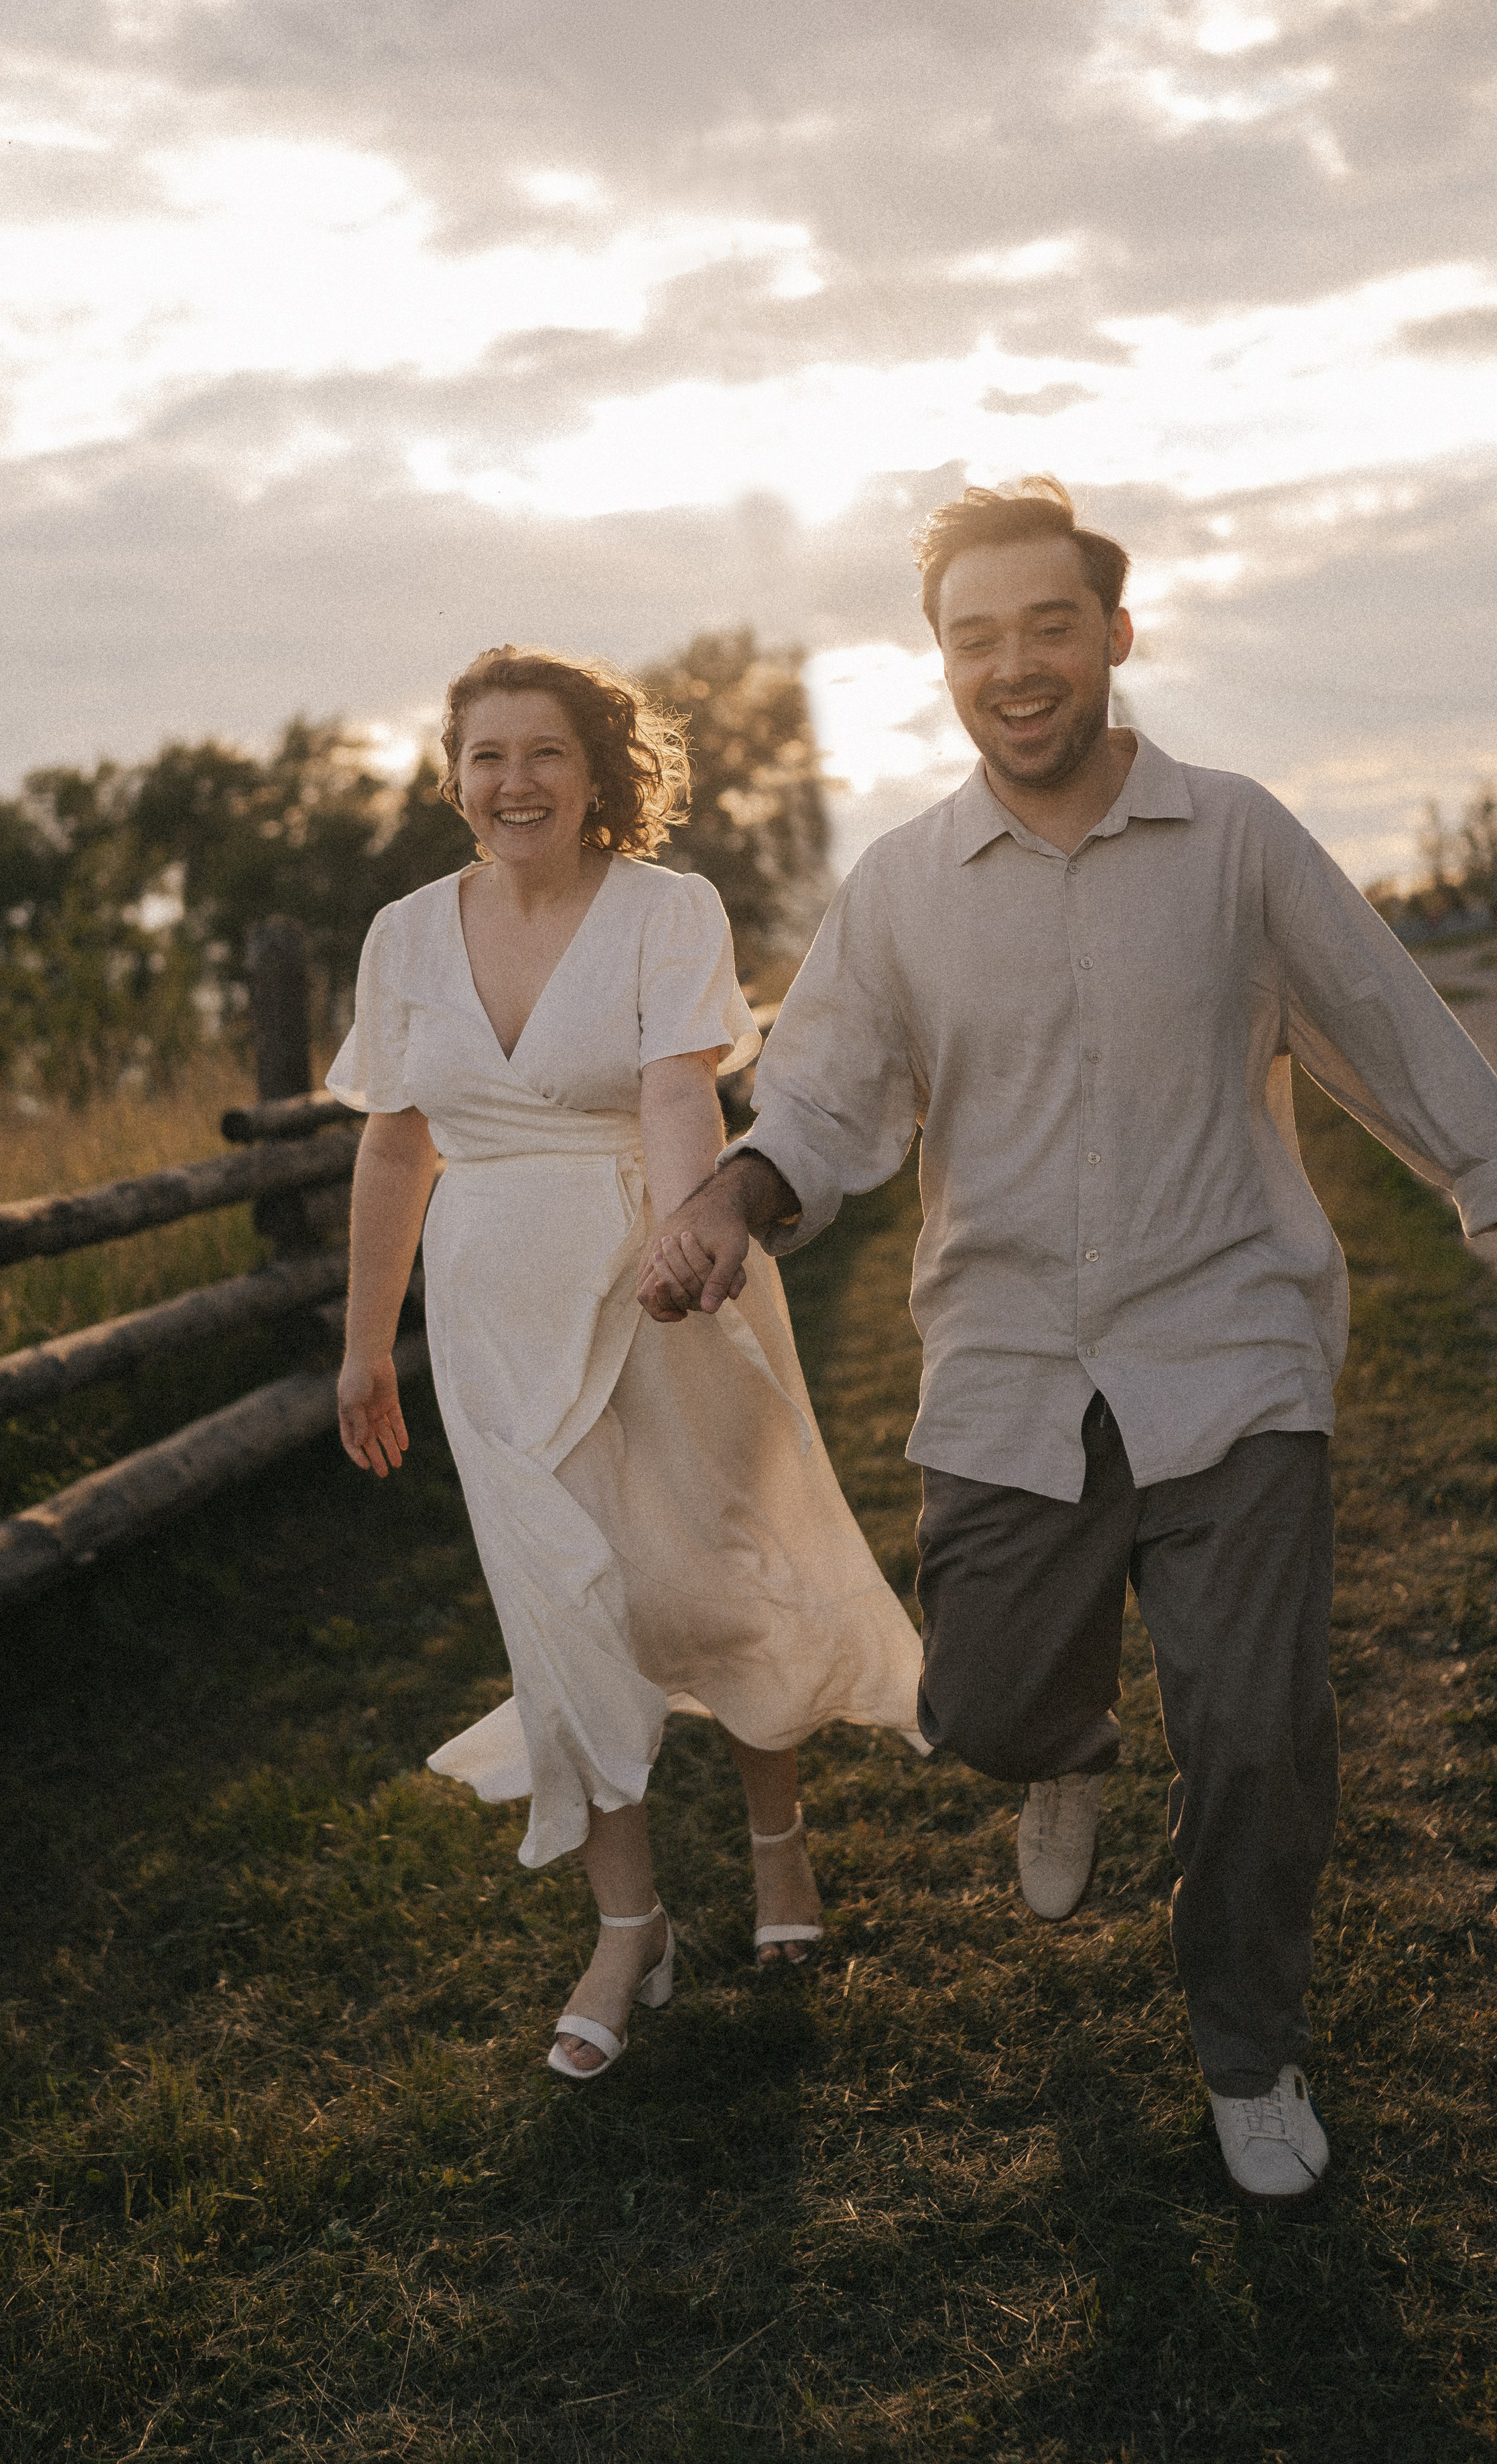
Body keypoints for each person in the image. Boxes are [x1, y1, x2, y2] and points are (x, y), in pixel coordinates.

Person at [639, 476, 1497, 2201]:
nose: (1014, 668)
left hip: (1228, 1336)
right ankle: (1057, 1756)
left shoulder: (1237, 834)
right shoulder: (899, 888)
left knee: (1257, 1723)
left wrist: (1486, 1183)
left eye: (1048, 628)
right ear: (939, 664)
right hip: (1012, 1361)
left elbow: (1379, 1024)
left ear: (1114, 634)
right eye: (976, 640)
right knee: (987, 1705)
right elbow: (821, 1100)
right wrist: (731, 1197)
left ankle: (1246, 2050)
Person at [330, 644, 925, 2081]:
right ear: (454, 776)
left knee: (710, 1563)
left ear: (599, 774)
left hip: (652, 1279)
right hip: (489, 1310)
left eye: (544, 752)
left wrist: (685, 1244)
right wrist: (364, 1348)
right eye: (485, 755)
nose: (512, 781)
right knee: (563, 1606)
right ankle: (628, 1921)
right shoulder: (406, 934)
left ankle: (777, 1848)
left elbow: (677, 1089)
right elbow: (395, 1140)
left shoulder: (667, 909)